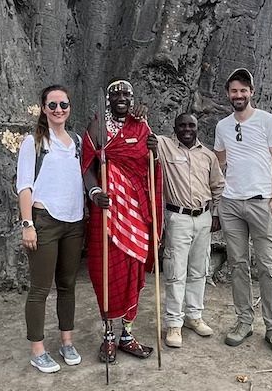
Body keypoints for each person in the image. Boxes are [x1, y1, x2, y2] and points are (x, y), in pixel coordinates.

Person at [81, 80, 162, 364]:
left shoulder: (141, 127)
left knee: (133, 273)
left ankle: (127, 333)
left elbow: (150, 168)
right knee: (105, 273)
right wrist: (94, 192)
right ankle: (108, 336)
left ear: (132, 97)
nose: (121, 98)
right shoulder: (97, 127)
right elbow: (87, 166)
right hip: (107, 214)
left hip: (135, 215)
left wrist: (154, 149)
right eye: (115, 94)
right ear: (109, 100)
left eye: (126, 94)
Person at [213, 68, 272, 356]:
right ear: (228, 94)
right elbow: (219, 163)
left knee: (269, 267)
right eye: (234, 90)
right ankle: (244, 321)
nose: (238, 95)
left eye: (243, 90)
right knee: (238, 265)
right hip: (231, 203)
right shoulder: (222, 127)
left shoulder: (268, 122)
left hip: (261, 202)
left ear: (252, 92)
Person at [16, 85, 86, 373]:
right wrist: (27, 224)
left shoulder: (77, 142)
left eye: (64, 104)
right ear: (44, 109)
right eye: (53, 105)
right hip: (44, 221)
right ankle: (37, 348)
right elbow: (24, 186)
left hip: (74, 221)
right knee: (40, 288)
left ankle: (66, 341)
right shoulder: (33, 142)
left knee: (68, 285)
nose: (59, 110)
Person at [153, 112, 224, 349]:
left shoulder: (208, 155)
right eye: (182, 125)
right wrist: (138, 112)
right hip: (178, 218)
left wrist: (216, 214)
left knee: (199, 269)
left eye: (191, 125)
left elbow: (218, 186)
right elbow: (145, 135)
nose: (186, 129)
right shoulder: (165, 146)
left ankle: (194, 316)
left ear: (197, 128)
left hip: (203, 217)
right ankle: (174, 322)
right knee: (175, 271)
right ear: (175, 128)